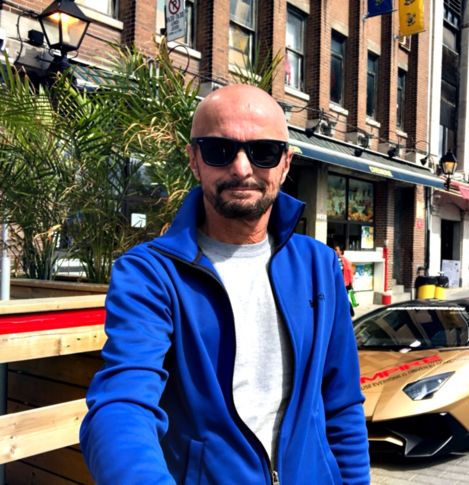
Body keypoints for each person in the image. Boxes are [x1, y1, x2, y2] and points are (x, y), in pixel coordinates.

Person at [80, 84, 370, 484]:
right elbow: (122, 403)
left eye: (263, 152)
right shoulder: (150, 273)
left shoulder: (319, 265)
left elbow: (342, 402)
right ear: (194, 160)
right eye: (219, 150)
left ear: (285, 164)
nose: (241, 168)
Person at [334, 244, 355, 316]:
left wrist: (350, 283)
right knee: (340, 298)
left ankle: (351, 312)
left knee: (343, 298)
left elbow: (350, 272)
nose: (334, 251)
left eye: (336, 250)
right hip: (337, 283)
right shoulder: (334, 259)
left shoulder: (345, 261)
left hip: (344, 284)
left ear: (341, 251)